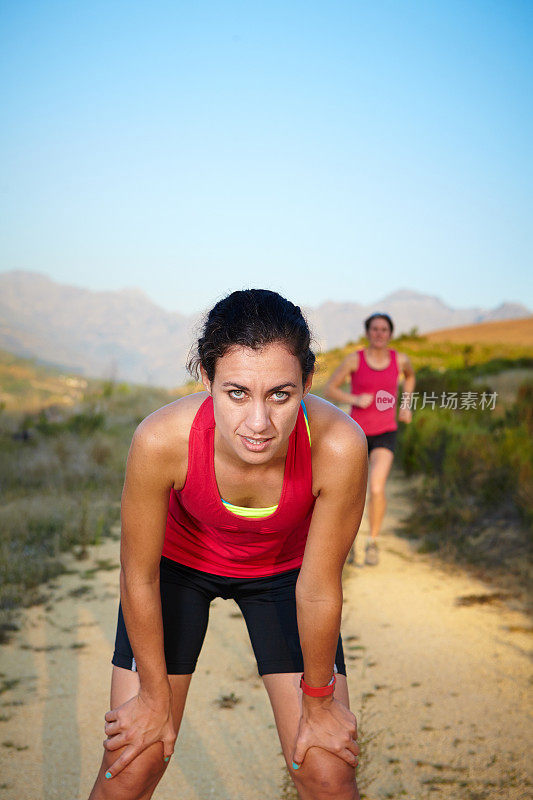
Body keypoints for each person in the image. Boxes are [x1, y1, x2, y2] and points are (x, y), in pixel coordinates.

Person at [88, 289, 368, 800]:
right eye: (236, 392)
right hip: (178, 570)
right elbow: (139, 576)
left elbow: (320, 587)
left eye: (281, 395)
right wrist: (153, 696)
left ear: (307, 383)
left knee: (327, 773)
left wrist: (321, 702)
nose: (258, 423)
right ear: (206, 379)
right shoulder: (161, 439)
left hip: (285, 574)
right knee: (133, 764)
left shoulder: (339, 445)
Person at [324, 312, 415, 566]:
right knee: (353, 493)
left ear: (390, 334)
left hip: (386, 432)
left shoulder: (400, 360)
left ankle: (372, 542)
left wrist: (406, 405)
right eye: (374, 329)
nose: (379, 333)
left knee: (376, 487)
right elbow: (331, 388)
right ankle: (349, 543)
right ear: (367, 333)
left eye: (383, 329)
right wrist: (354, 399)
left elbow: (410, 376)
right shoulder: (355, 360)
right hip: (356, 433)